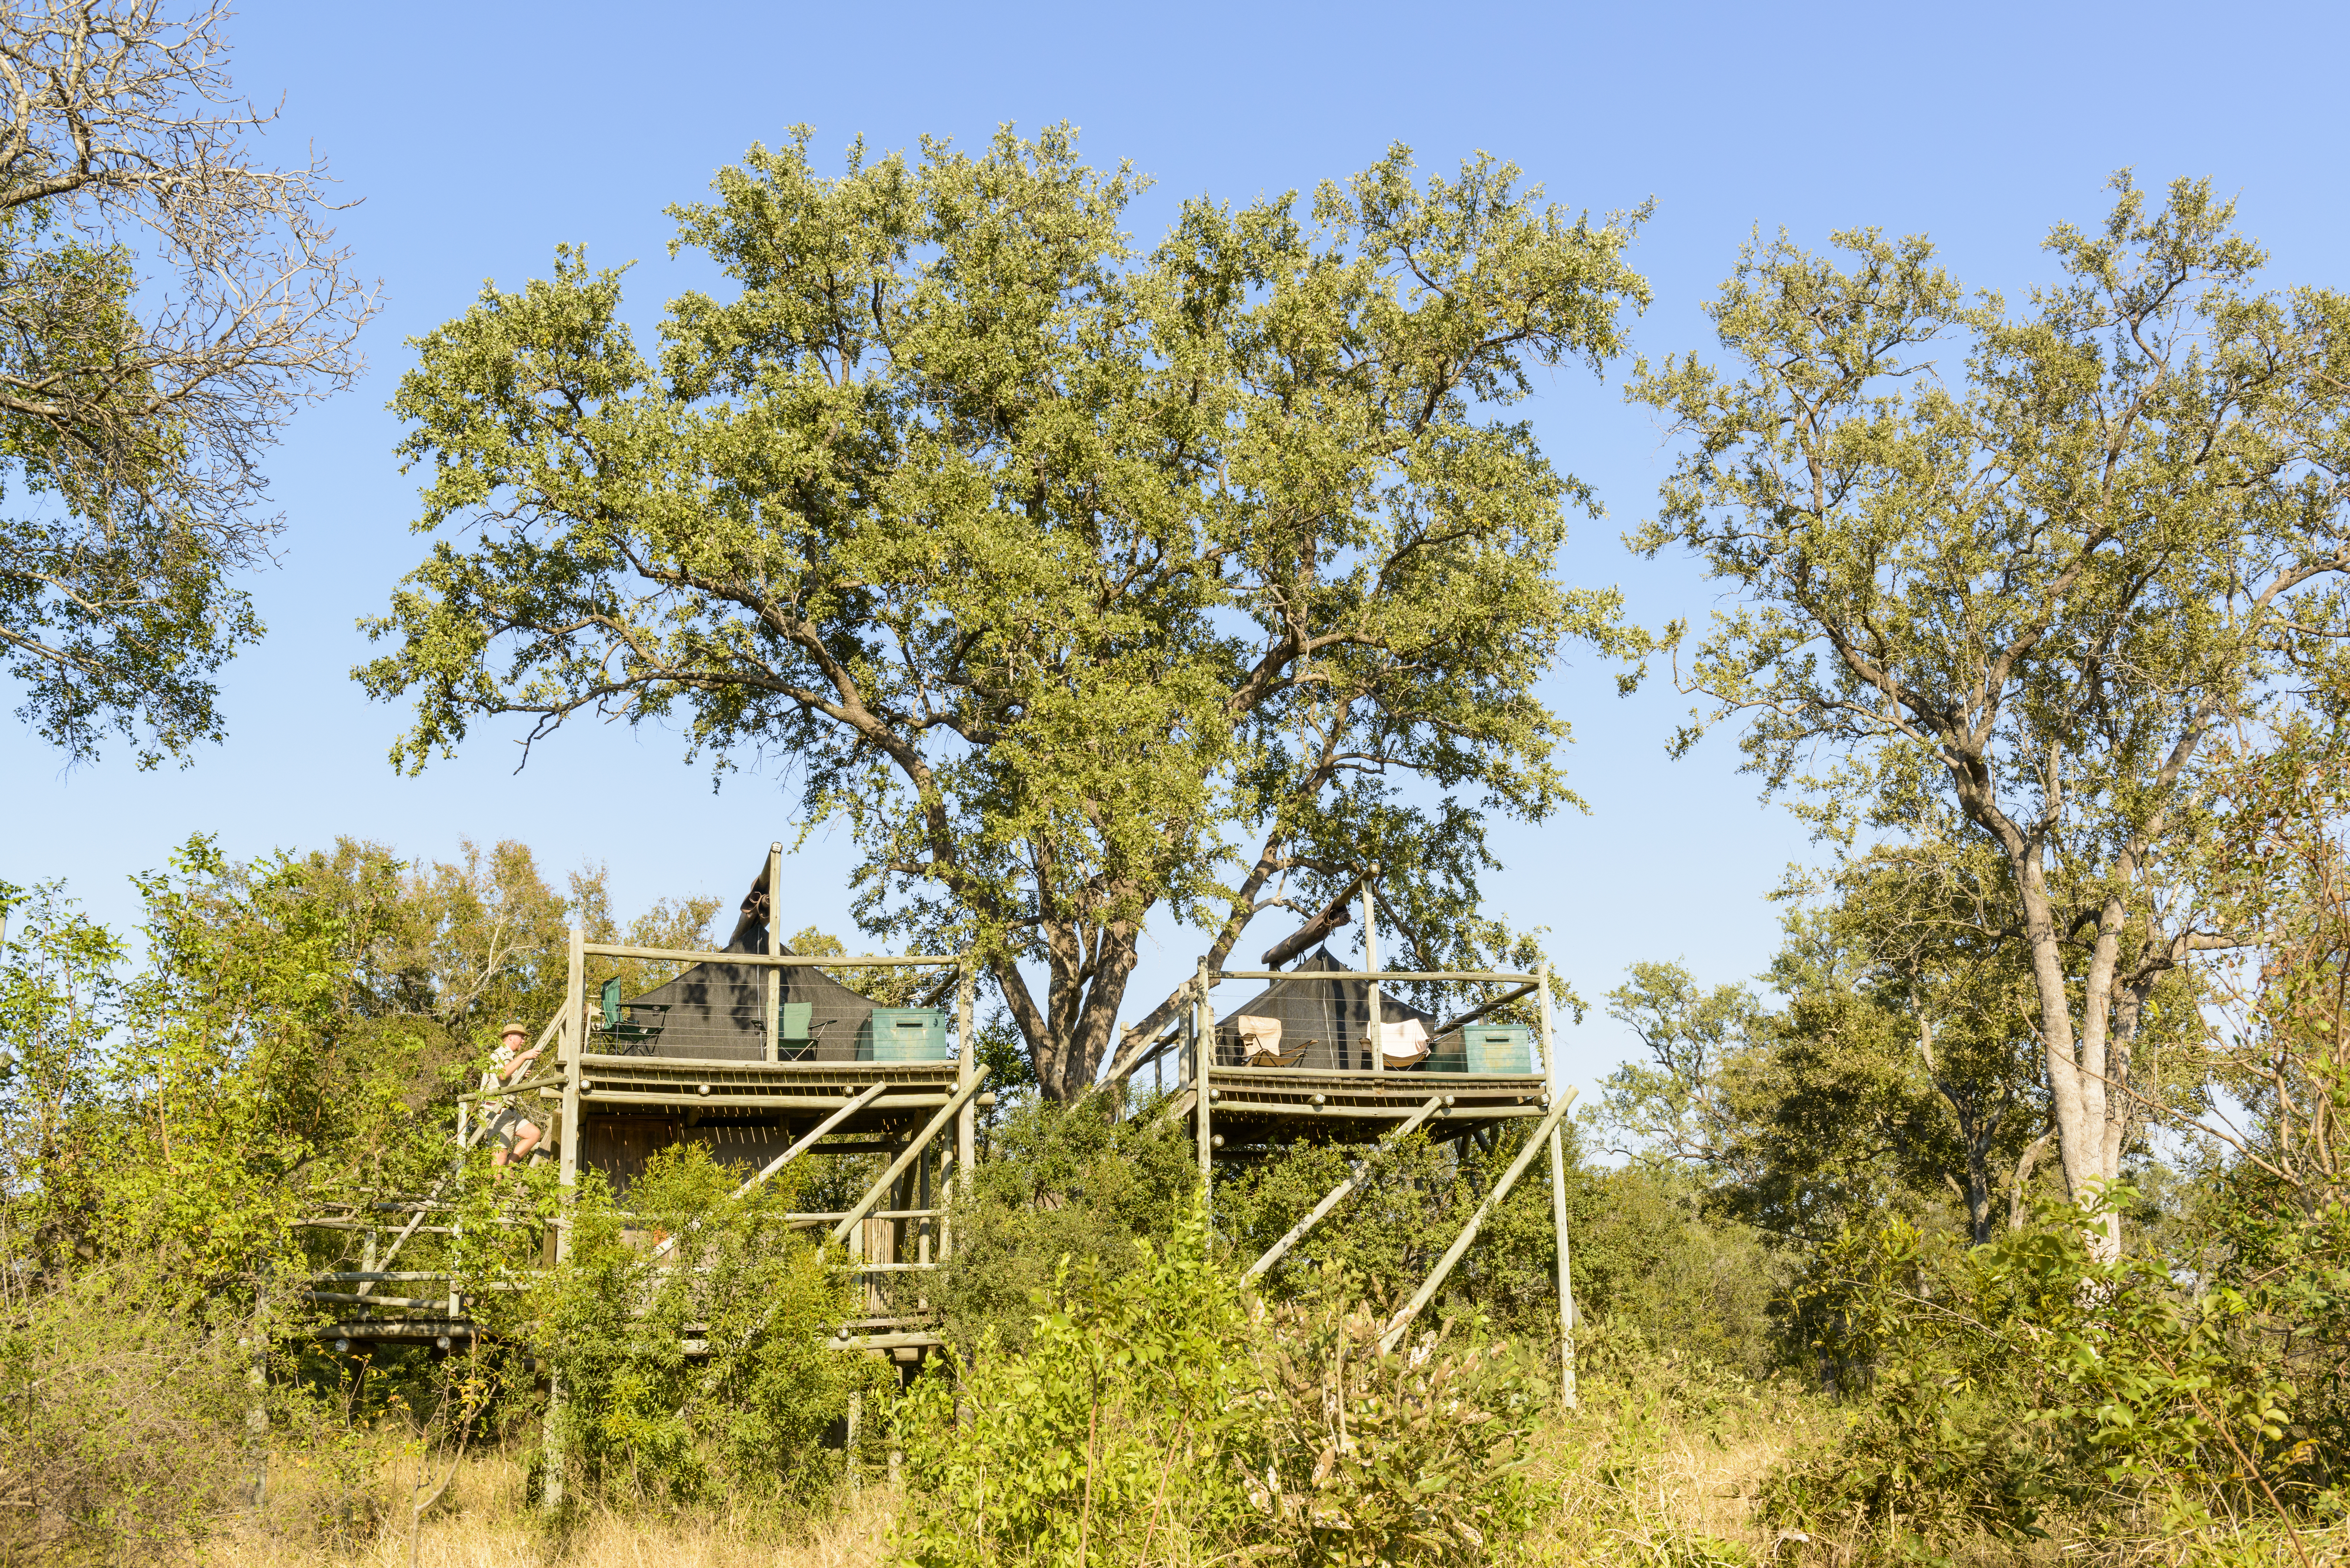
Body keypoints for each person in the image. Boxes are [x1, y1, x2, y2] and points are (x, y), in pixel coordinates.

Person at [480, 1022, 545, 1179]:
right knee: (499, 1157)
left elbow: (504, 1080)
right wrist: (524, 1056)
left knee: (534, 1134)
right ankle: (491, 1197)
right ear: (510, 1037)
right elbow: (502, 1074)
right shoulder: (501, 1053)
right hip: (496, 1110)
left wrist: (520, 1075)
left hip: (507, 1111)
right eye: (521, 1038)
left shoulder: (510, 1056)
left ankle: (509, 1168)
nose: (524, 1041)